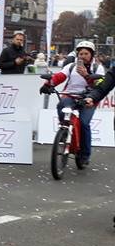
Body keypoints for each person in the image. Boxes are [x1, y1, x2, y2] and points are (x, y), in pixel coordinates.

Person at [42, 40, 106, 168]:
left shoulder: (97, 67)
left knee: (84, 123)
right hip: (71, 95)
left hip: (89, 98)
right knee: (61, 106)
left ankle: (84, 155)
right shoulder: (71, 66)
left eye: (86, 53)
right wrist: (48, 84)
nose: (83, 56)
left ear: (92, 55)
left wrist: (87, 76)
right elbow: (59, 76)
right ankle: (65, 131)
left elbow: (100, 86)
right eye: (80, 54)